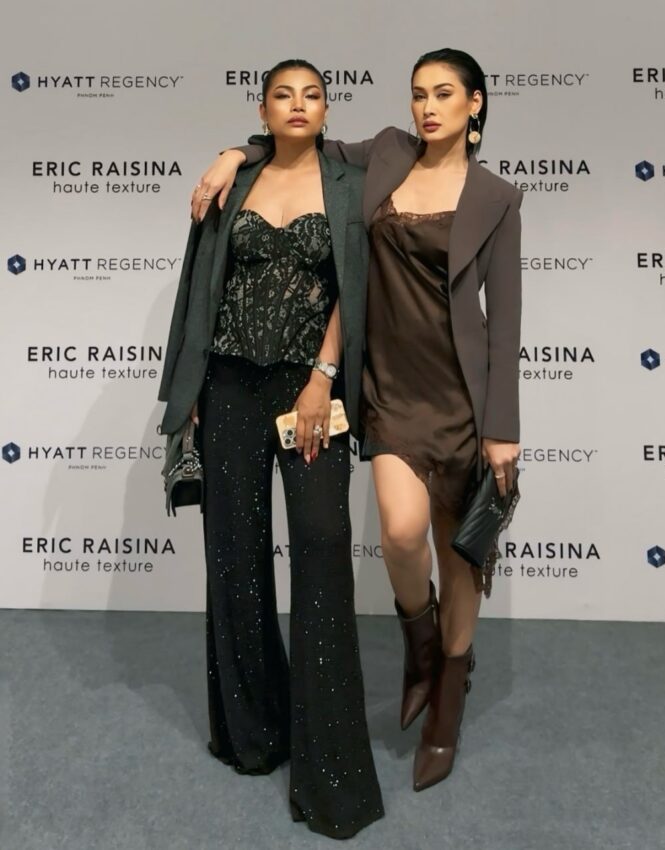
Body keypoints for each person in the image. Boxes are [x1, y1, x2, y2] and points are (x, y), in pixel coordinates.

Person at [192, 48, 523, 793]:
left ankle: (446, 700)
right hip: (389, 387)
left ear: (475, 104)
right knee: (403, 536)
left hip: (463, 396)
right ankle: (421, 647)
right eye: (419, 94)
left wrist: (502, 427)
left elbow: (504, 322)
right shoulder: (386, 156)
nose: (428, 107)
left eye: (445, 94)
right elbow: (297, 137)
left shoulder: (498, 198)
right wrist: (231, 154)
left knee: (459, 555)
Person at [158, 59, 383, 839]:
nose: (298, 105)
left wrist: (323, 378)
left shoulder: (351, 183)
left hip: (309, 393)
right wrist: (190, 391)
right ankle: (252, 733)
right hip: (227, 385)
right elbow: (201, 290)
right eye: (283, 95)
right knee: (235, 558)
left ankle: (332, 772)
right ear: (262, 111)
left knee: (321, 552)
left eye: (311, 95)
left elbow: (357, 290)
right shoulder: (237, 180)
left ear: (327, 109)